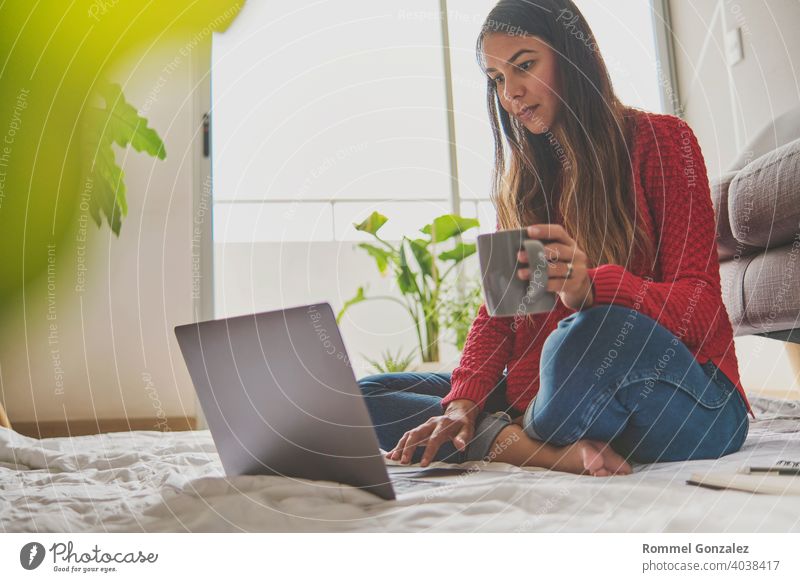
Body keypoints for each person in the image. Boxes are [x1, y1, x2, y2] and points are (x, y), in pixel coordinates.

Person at [357, 0, 753, 477]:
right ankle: (539, 448)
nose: (511, 93)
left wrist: (593, 290)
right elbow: (501, 315)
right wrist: (463, 403)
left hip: (692, 404)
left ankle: (509, 434)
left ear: (573, 56)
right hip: (551, 397)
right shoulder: (527, 179)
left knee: (588, 336)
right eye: (497, 79)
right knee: (361, 397)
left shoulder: (663, 141)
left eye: (524, 66)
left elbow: (702, 309)